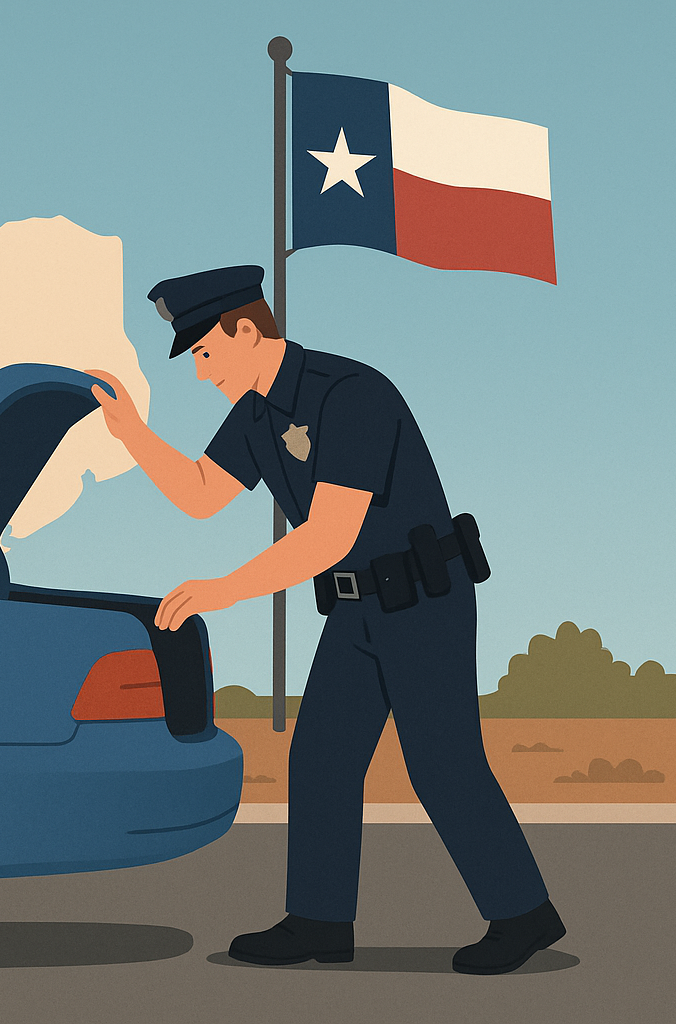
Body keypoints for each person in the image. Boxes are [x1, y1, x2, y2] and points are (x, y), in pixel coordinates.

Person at [86, 265, 565, 975]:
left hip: (423, 600)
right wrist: (132, 434)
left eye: (206, 355)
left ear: (246, 330)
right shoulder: (254, 412)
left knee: (443, 763)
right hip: (355, 607)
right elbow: (199, 492)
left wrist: (225, 589)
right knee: (322, 758)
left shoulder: (351, 393)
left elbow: (329, 534)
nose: (200, 374)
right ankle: (318, 921)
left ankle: (524, 915)